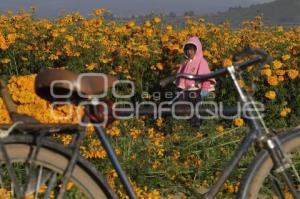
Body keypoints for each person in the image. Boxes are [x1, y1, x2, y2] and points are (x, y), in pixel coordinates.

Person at [176, 36, 215, 127]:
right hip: (186, 91)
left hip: (197, 91)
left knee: (196, 109)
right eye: (187, 50)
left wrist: (205, 89)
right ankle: (186, 125)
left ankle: (196, 126)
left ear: (197, 50)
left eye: (192, 50)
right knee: (184, 108)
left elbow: (206, 76)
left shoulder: (202, 61)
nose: (189, 52)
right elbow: (180, 76)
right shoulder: (186, 62)